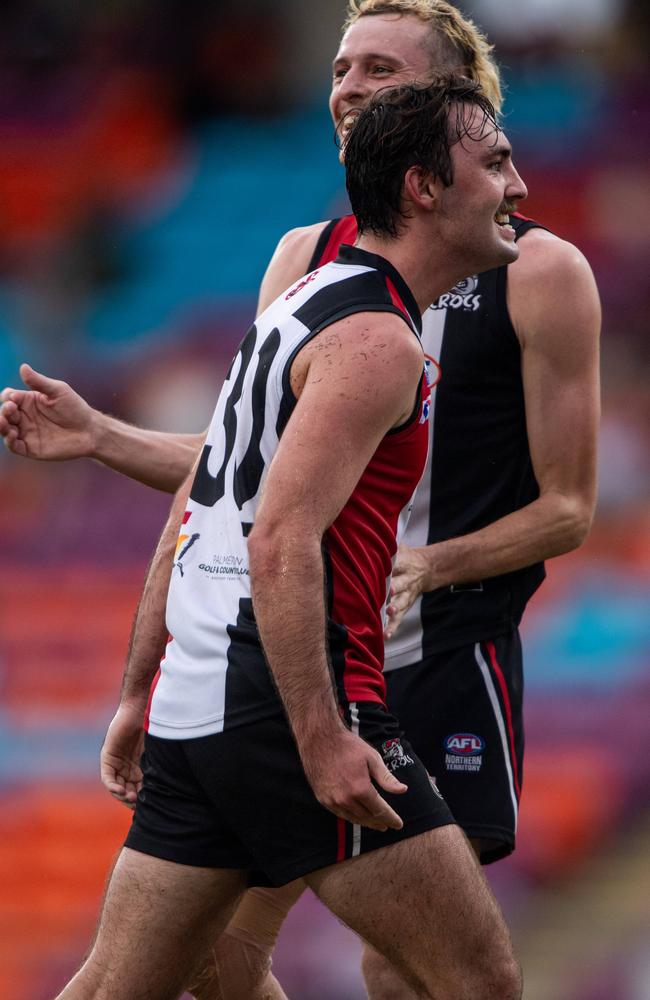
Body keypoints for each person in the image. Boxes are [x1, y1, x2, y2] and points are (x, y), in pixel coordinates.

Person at [0, 3, 600, 999]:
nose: (518, 184)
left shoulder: (341, 299)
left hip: (266, 678)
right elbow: (278, 530)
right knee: (473, 974)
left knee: (131, 979)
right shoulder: (369, 330)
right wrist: (325, 733)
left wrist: (146, 679)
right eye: (340, 68)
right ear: (424, 177)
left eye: (382, 72)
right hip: (303, 677)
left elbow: (225, 491)